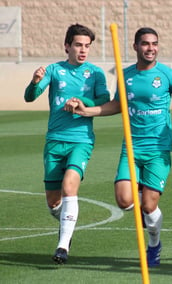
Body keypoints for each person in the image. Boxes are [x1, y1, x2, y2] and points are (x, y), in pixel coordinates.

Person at [65, 27, 172, 267]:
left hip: (158, 149)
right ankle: (144, 205)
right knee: (124, 200)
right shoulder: (125, 76)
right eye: (145, 44)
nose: (150, 48)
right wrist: (86, 110)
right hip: (131, 149)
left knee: (149, 206)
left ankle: (154, 245)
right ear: (135, 47)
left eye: (154, 43)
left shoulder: (168, 75)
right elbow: (116, 105)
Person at [24, 24, 110, 264]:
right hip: (54, 141)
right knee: (53, 202)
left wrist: (80, 101)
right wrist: (35, 81)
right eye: (78, 45)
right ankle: (67, 229)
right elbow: (30, 97)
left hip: (80, 140)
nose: (83, 50)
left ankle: (62, 247)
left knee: (70, 186)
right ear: (67, 46)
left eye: (87, 46)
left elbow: (104, 100)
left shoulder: (95, 73)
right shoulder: (54, 70)